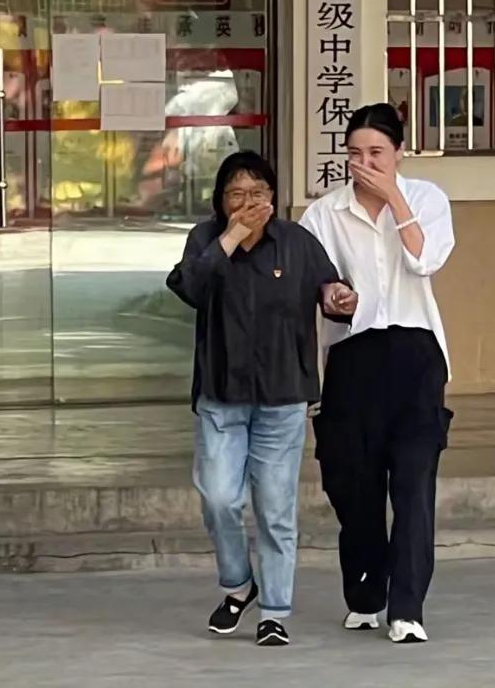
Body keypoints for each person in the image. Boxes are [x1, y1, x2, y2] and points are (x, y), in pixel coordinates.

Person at [166, 151, 342, 649]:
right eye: (236, 194)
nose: (248, 203)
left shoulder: (296, 242)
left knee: (275, 508)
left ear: (273, 196)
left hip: (282, 394)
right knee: (219, 498)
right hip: (222, 393)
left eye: (258, 192)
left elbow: (329, 286)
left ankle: (275, 612)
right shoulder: (205, 239)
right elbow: (189, 287)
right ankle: (239, 584)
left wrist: (337, 296)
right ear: (220, 201)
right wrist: (229, 239)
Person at [301, 103, 455, 646]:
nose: (365, 163)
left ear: (399, 153)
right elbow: (316, 282)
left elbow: (425, 261)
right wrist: (332, 296)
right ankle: (366, 595)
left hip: (416, 353)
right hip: (353, 354)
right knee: (354, 483)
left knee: (413, 482)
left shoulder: (427, 199)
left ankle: (407, 608)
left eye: (377, 153)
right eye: (355, 154)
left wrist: (394, 198)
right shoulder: (325, 213)